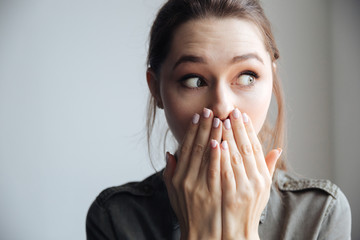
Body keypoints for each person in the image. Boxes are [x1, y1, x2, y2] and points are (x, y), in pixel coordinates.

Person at [86, 0, 352, 239]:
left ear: (271, 80)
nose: (222, 107)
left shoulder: (321, 214)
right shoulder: (115, 218)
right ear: (156, 89)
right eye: (194, 80)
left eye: (247, 77)